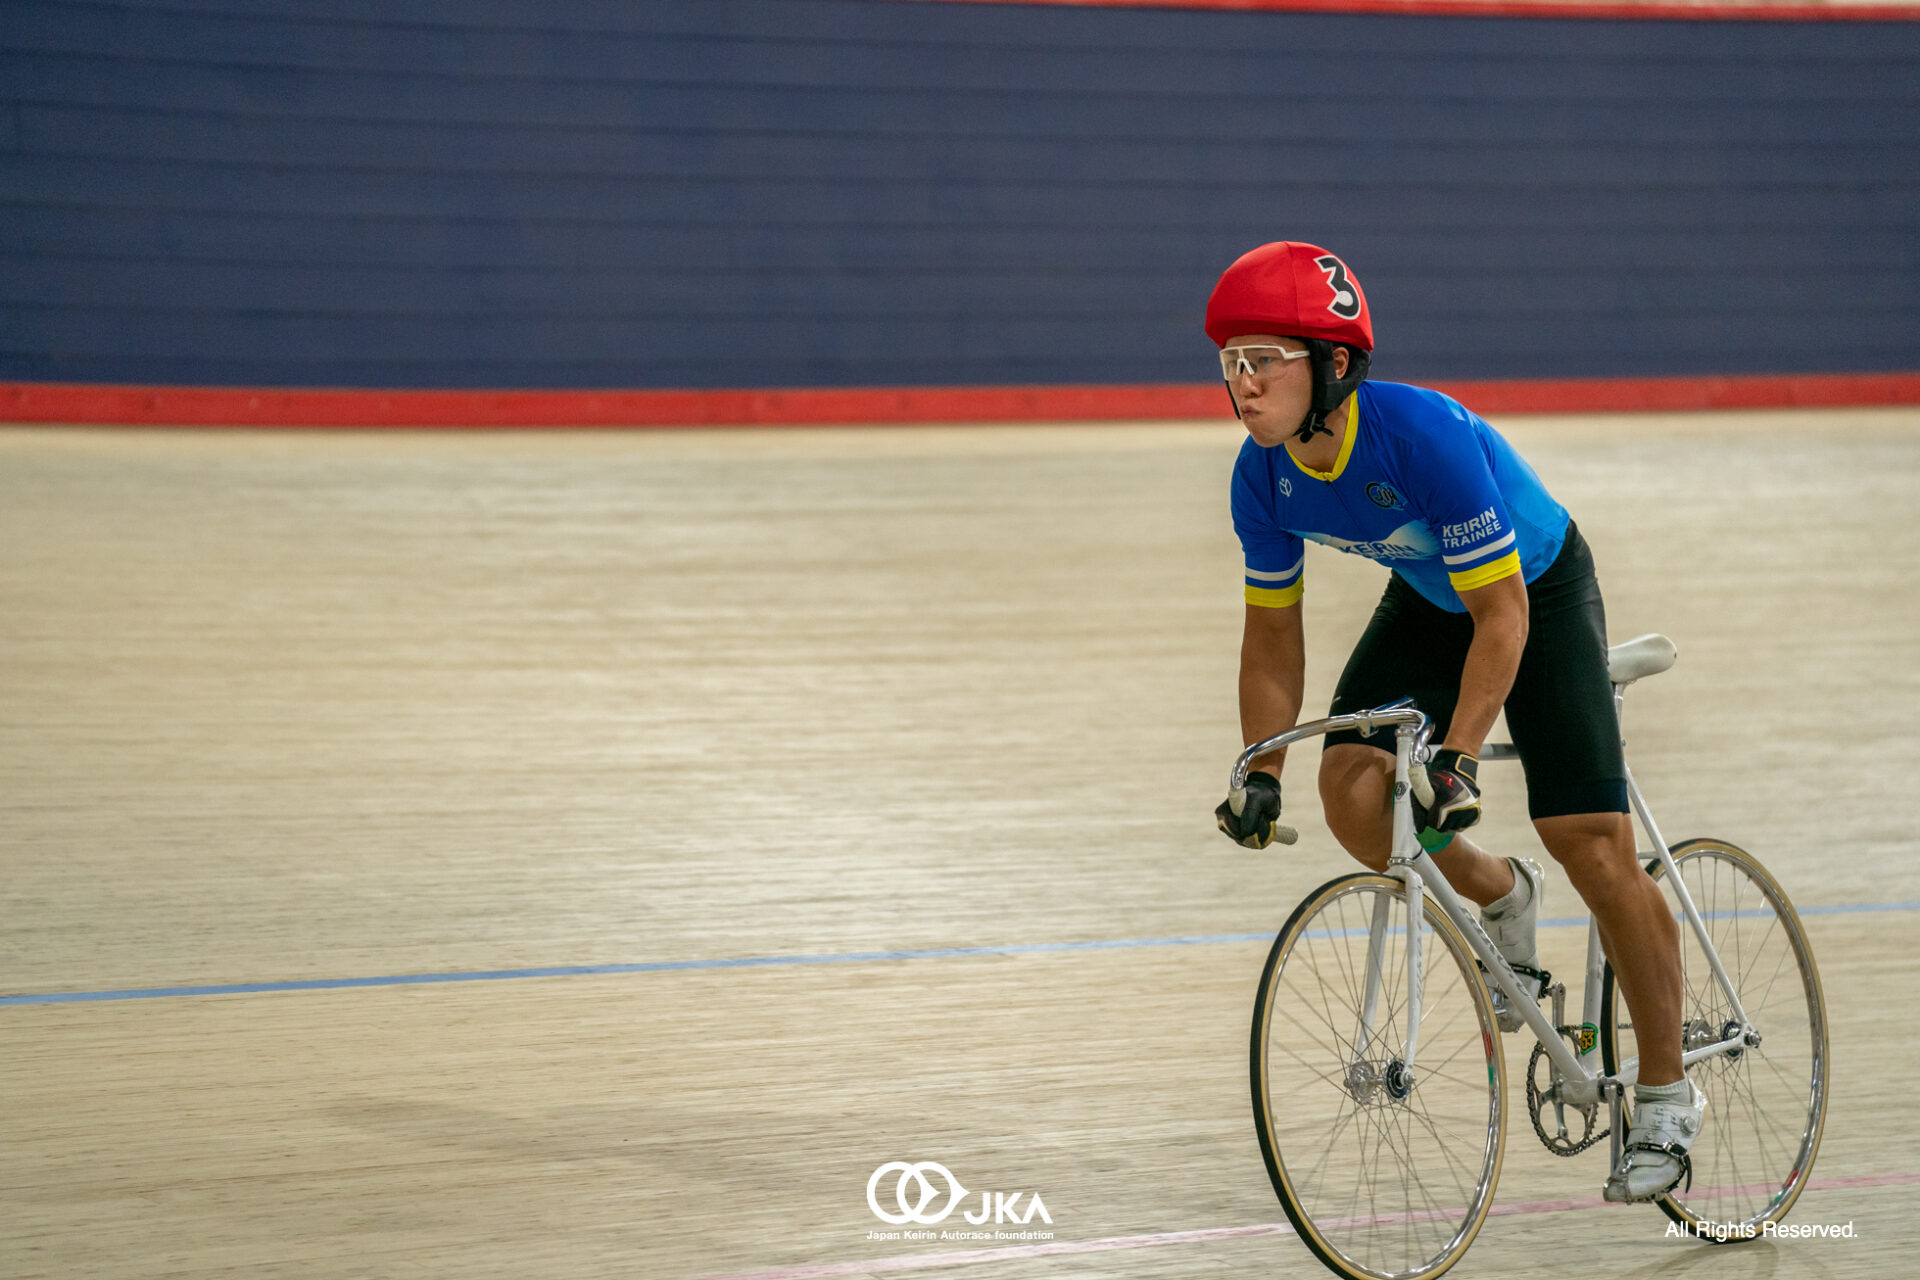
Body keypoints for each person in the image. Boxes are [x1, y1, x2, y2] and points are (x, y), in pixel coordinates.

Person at [1206, 240, 1701, 1202]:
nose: (1242, 381)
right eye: (1231, 361)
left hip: (1537, 592)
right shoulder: (1261, 476)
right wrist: (1257, 767)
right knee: (1355, 798)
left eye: (1264, 358)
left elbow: (1505, 616)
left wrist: (1462, 755)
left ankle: (1668, 1093)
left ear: (1334, 365)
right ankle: (1501, 893)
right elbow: (1272, 635)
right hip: (1433, 600)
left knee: (1587, 842)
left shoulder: (1419, 437)